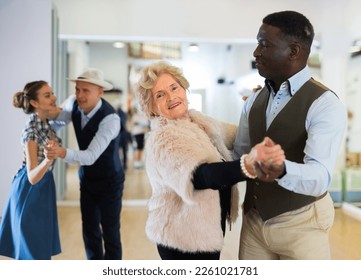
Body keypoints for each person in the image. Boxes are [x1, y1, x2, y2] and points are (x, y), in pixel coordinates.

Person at [135, 61, 285, 260]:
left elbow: (239, 136)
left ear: (184, 88)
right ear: (151, 107)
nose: (172, 97)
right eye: (160, 95)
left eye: (174, 88)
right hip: (181, 239)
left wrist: (255, 107)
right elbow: (200, 176)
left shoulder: (197, 121)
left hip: (205, 230)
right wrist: (247, 165)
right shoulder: (163, 138)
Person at [232, 10, 348, 260]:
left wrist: (282, 170)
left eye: (264, 44)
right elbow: (238, 155)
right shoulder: (252, 100)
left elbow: (320, 176)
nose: (256, 52)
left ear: (293, 51)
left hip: (303, 225)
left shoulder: (325, 104)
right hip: (254, 223)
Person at [47, 68, 125, 260]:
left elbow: (90, 156)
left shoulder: (110, 119)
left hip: (110, 182)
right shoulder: (73, 103)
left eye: (86, 91)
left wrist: (61, 152)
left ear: (100, 92)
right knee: (89, 230)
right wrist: (48, 135)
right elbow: (56, 124)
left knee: (110, 232)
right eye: (77, 89)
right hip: (88, 180)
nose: (80, 95)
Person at [0, 81, 62, 260]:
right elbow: (32, 176)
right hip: (30, 191)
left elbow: (63, 109)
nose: (54, 98)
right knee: (33, 253)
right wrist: (49, 159)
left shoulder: (45, 122)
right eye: (47, 95)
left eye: (52, 93)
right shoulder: (31, 130)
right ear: (35, 103)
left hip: (44, 188)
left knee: (39, 250)